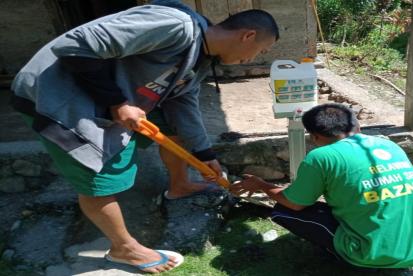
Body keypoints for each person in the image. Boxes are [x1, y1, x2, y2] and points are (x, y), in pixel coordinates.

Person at [10, 0, 279, 273]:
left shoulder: (199, 60)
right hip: (56, 95)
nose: (254, 59)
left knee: (175, 128)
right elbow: (74, 45)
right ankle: (123, 249)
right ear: (248, 35)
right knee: (101, 173)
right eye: (261, 50)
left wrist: (205, 154)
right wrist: (118, 103)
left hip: (110, 99)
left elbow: (183, 106)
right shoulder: (175, 26)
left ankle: (180, 185)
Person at [231, 103, 413, 271]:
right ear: (356, 125)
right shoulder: (386, 144)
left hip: (375, 256)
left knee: (284, 210)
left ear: (315, 136)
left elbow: (295, 203)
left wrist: (261, 185)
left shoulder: (321, 157)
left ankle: (355, 257)